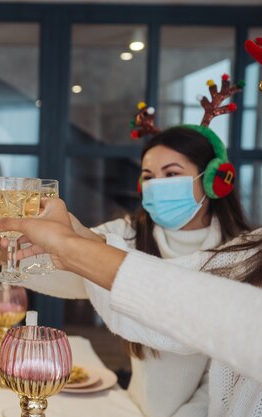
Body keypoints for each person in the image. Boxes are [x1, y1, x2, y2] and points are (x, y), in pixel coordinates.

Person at [20, 118, 250, 416]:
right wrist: (0, 262)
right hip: (135, 408)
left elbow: (221, 380)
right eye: (149, 176)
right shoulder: (128, 233)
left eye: (172, 174)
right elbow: (72, 270)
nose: (157, 185)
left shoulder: (241, 259)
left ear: (214, 180)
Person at [0, 198, 262, 416]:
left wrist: (69, 245)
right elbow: (183, 282)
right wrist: (78, 237)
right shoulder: (251, 249)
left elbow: (216, 311)